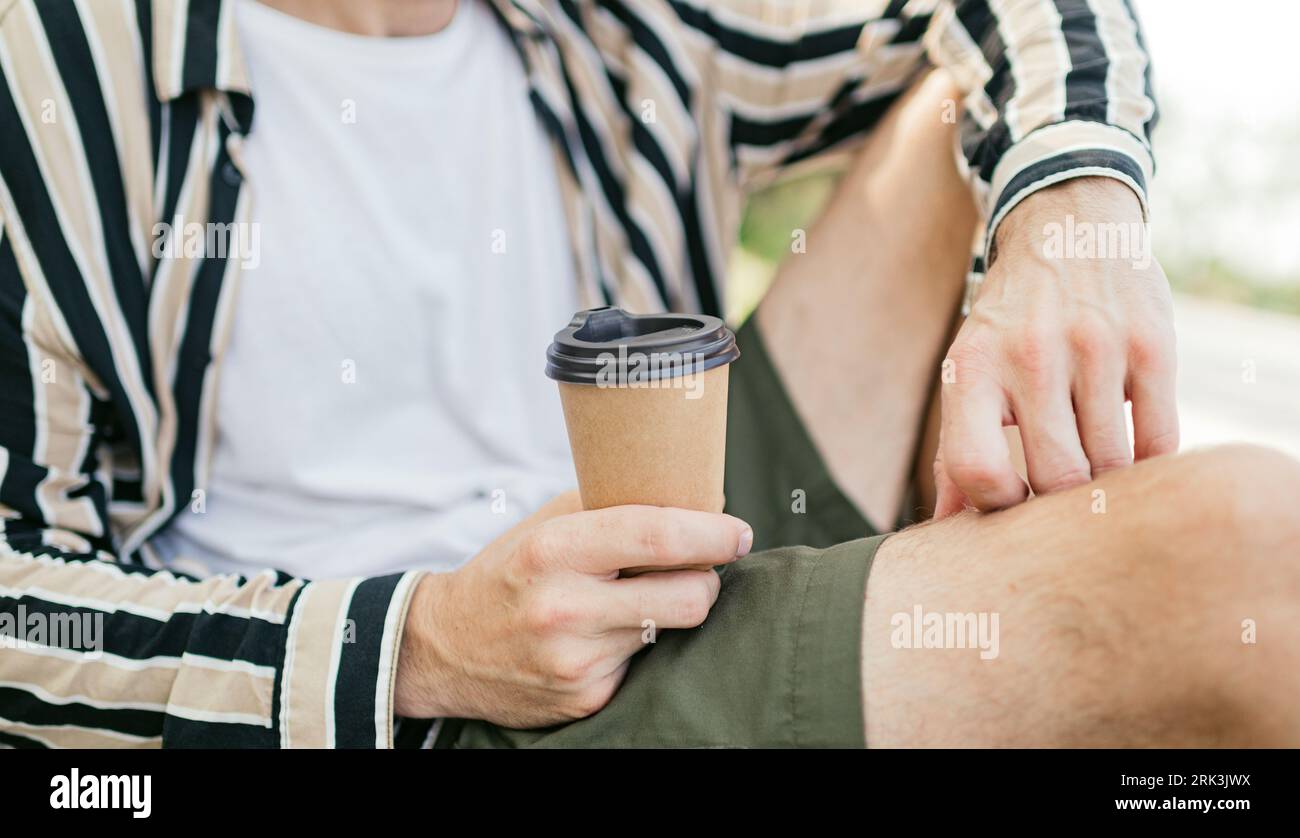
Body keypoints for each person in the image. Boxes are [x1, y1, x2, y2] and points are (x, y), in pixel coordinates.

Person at [0, 0, 1296, 748]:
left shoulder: (608, 24)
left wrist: (1070, 208)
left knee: (956, 108)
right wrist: (418, 645)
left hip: (671, 552)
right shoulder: (57, 66)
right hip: (434, 696)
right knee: (1248, 555)